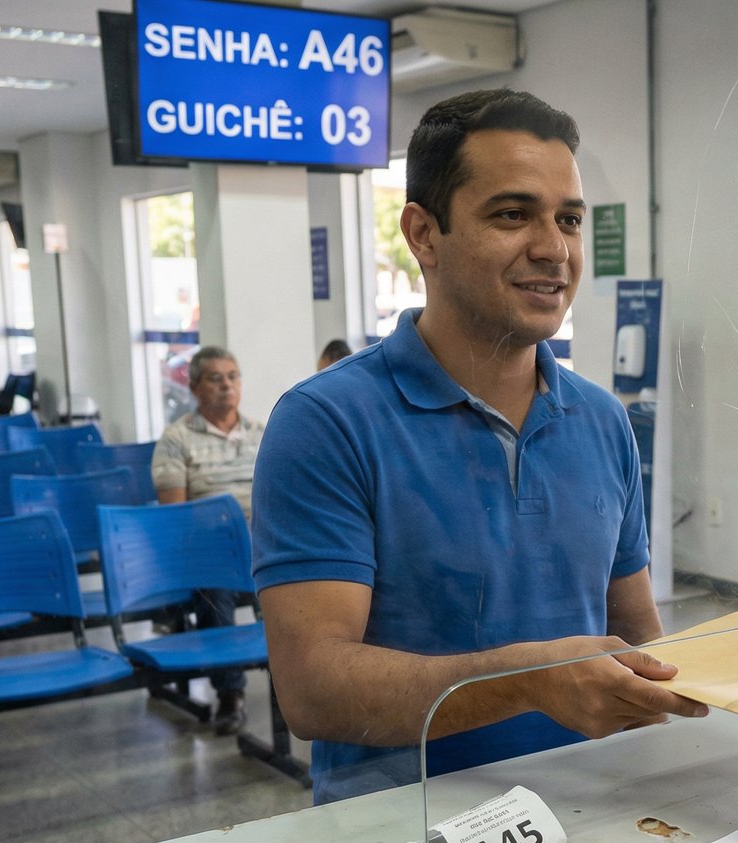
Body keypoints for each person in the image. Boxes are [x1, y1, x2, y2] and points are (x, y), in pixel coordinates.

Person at [253, 89, 707, 805]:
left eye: (568, 220)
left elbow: (636, 635)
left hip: (596, 816)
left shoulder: (600, 420)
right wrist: (529, 681)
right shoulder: (326, 423)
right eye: (511, 214)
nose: (553, 248)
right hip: (407, 842)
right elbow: (314, 691)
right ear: (424, 234)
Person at [152, 345, 262, 733]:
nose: (226, 386)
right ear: (195, 388)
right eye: (215, 379)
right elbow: (175, 518)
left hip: (263, 540)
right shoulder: (176, 439)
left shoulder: (260, 433)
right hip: (209, 544)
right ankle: (230, 692)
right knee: (216, 582)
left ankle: (297, 680)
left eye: (233, 377)